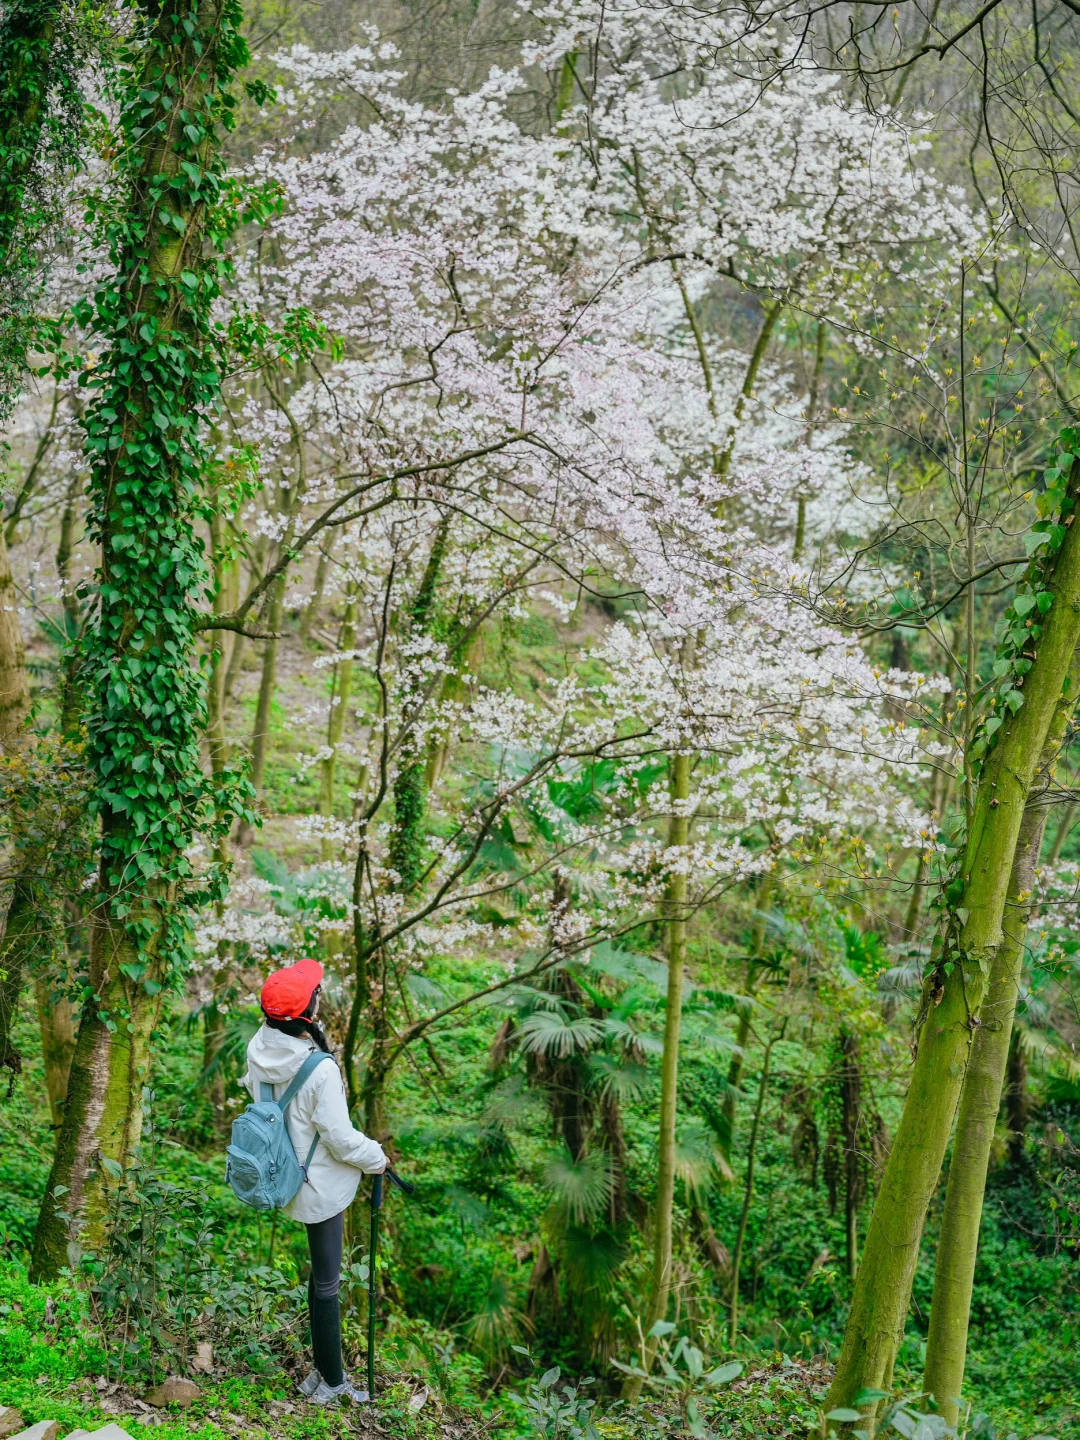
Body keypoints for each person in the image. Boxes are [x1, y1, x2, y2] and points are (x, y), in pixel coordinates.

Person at [242, 958, 386, 1404]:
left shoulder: (257, 1048)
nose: (321, 993)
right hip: (320, 1187)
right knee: (327, 1283)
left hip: (283, 1174)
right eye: (317, 992)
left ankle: (323, 1372)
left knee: (320, 1279)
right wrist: (377, 1158)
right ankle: (333, 1383)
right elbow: (340, 1141)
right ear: (309, 1012)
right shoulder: (318, 1068)